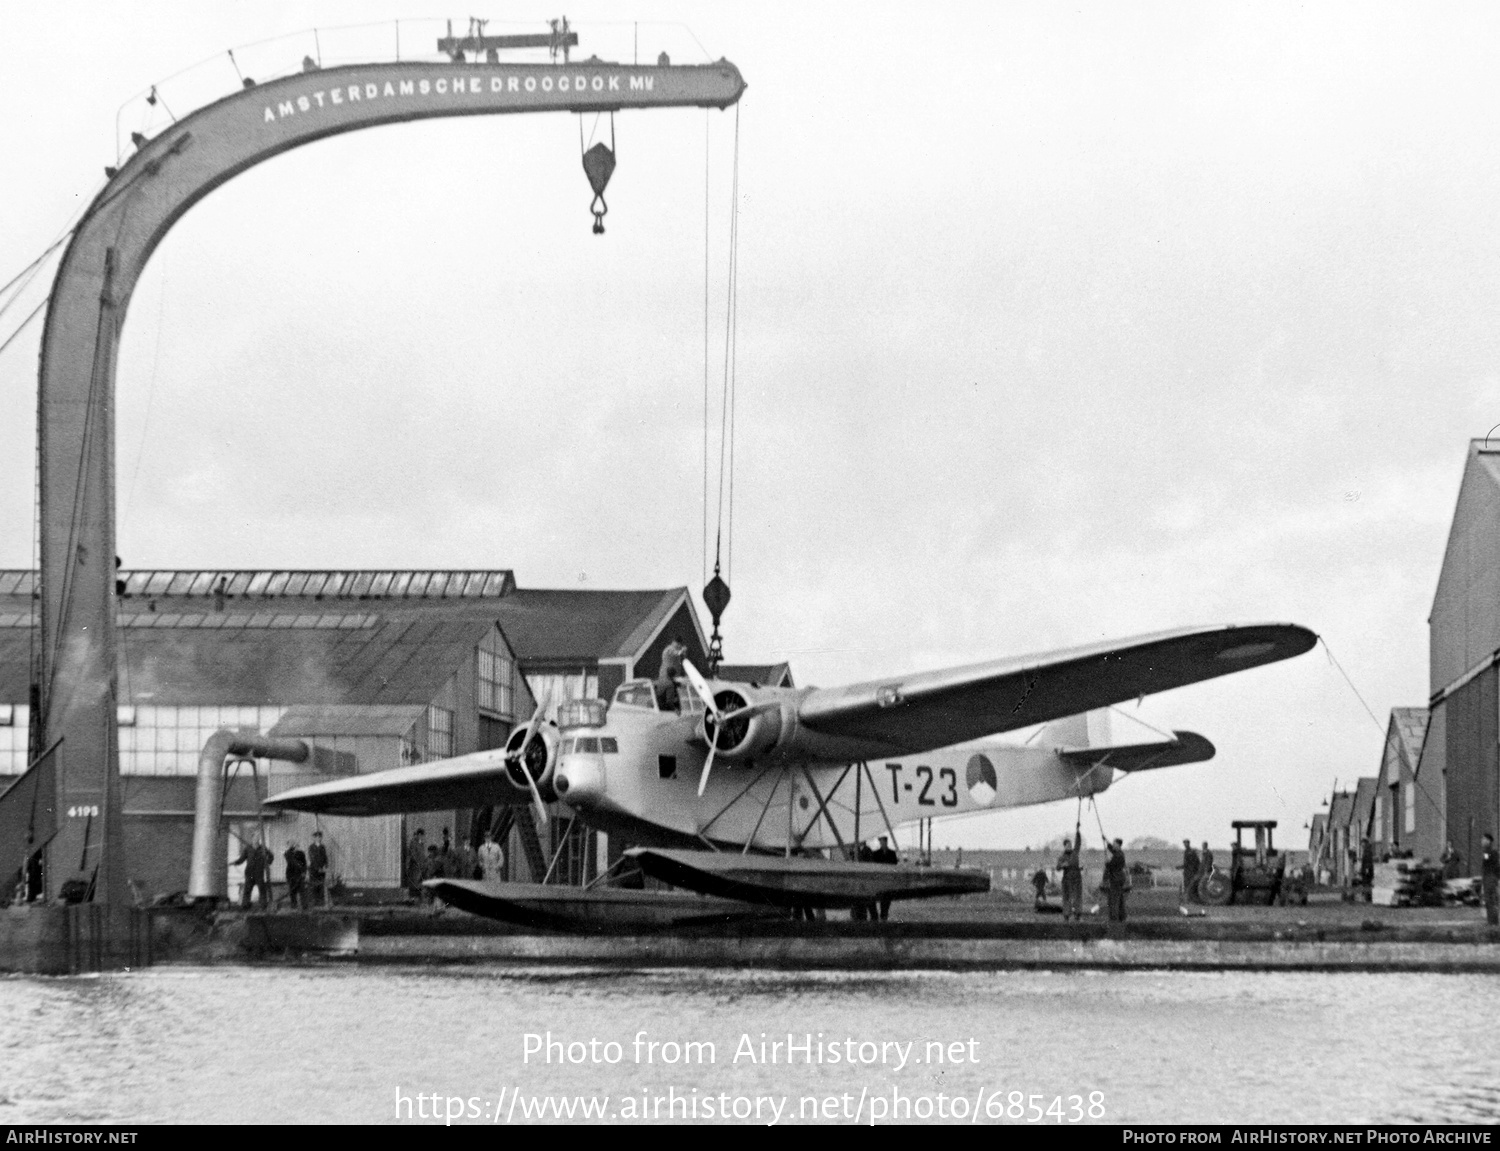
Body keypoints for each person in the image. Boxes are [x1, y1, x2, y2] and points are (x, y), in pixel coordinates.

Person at [234, 836, 272, 910]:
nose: (256, 840)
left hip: (259, 872)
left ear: (259, 840)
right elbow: (242, 858)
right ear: (252, 840)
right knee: (247, 889)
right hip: (250, 872)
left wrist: (267, 862)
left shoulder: (263, 848)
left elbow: (271, 856)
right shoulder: (248, 848)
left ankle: (263, 905)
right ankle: (245, 905)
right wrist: (236, 862)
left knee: (262, 889)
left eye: (257, 839)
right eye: (254, 839)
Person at [655, 639, 689, 712]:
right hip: (667, 678)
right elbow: (676, 653)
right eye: (678, 644)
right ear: (676, 643)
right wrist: (682, 650)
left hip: (666, 678)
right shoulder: (669, 649)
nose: (679, 646)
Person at [871, 836, 899, 920]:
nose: (882, 844)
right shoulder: (876, 853)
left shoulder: (892, 853)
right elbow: (874, 865)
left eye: (883, 842)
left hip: (888, 879)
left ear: (886, 842)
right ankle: (876, 916)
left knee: (886, 899)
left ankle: (884, 915)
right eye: (880, 842)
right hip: (879, 879)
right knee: (878, 897)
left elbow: (894, 864)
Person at [1103, 838, 1129, 924]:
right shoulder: (1119, 853)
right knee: (1120, 899)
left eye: (1114, 844)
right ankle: (1122, 917)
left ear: (1118, 845)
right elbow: (1112, 850)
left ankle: (1114, 919)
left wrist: (1107, 863)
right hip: (1119, 878)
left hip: (1115, 879)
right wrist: (1107, 842)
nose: (1113, 845)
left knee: (1113, 899)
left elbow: (1110, 866)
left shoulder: (1118, 855)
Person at [1057, 837, 1083, 921]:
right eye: (1068, 845)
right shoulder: (1062, 857)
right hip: (1067, 879)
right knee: (1067, 897)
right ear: (1064, 846)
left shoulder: (1075, 853)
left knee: (1077, 897)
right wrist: (1062, 865)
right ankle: (1066, 915)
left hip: (1077, 878)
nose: (1070, 846)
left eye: (1070, 845)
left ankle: (1077, 914)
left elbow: (1078, 842)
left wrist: (1078, 831)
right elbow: (1057, 867)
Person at [307, 830, 330, 908]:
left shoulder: (323, 847)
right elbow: (312, 858)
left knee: (321, 885)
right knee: (313, 885)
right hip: (314, 869)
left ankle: (321, 902)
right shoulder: (311, 847)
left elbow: (325, 857)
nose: (318, 839)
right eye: (316, 837)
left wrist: (325, 866)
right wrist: (318, 868)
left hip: (322, 870)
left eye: (320, 837)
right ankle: (313, 902)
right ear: (314, 838)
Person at [283, 841, 308, 911]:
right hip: (291, 875)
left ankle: (304, 906)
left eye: (295, 845)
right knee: (292, 891)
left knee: (302, 891)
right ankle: (294, 906)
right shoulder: (287, 853)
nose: (294, 846)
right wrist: (301, 867)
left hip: (300, 874)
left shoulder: (301, 853)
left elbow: (305, 863)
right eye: (290, 845)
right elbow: (291, 861)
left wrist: (304, 872)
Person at [1483, 833, 1499, 928]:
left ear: (1489, 841)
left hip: (1491, 877)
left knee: (1491, 900)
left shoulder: (1492, 852)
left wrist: (1495, 877)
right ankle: (1490, 922)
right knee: (1488, 900)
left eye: (1484, 839)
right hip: (1488, 877)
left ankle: (1493, 922)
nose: (1482, 840)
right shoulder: (1487, 851)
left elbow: (1494, 866)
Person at [405, 827, 427, 898]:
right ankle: (413, 898)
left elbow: (422, 855)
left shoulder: (421, 844)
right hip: (415, 867)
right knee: (414, 883)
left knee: (419, 883)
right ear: (419, 835)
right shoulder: (413, 843)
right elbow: (413, 855)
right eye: (422, 835)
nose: (423, 837)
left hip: (420, 867)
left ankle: (417, 897)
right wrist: (419, 863)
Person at [1181, 839, 1200, 904]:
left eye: (1186, 843)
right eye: (1184, 843)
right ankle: (1188, 899)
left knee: (1190, 885)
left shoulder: (1190, 851)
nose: (1185, 845)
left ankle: (1190, 900)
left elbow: (1194, 862)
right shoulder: (1187, 851)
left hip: (1190, 871)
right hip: (1187, 871)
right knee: (1187, 885)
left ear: (1189, 843)